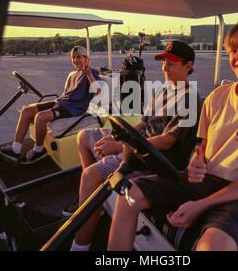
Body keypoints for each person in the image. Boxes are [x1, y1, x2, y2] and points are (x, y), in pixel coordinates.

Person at [107, 21, 238, 251]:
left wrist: (200, 205)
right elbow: (203, 145)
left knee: (213, 246)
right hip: (206, 180)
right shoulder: (217, 97)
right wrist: (198, 160)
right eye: (234, 50)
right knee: (129, 194)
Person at [68, 41, 201, 251]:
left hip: (154, 159)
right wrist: (116, 137)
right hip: (138, 146)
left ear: (188, 66)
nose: (165, 67)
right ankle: (95, 206)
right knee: (85, 139)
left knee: (90, 175)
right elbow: (142, 123)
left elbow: (168, 140)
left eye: (172, 63)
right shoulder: (161, 90)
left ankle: (79, 246)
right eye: (164, 62)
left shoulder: (190, 99)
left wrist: (122, 146)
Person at [0, 45, 100, 165]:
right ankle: (16, 149)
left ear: (87, 58)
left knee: (40, 117)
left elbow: (98, 91)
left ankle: (38, 150)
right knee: (26, 112)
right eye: (73, 58)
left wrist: (89, 75)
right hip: (61, 102)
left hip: (73, 109)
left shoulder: (91, 72)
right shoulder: (73, 74)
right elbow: (65, 95)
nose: (76, 60)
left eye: (79, 57)